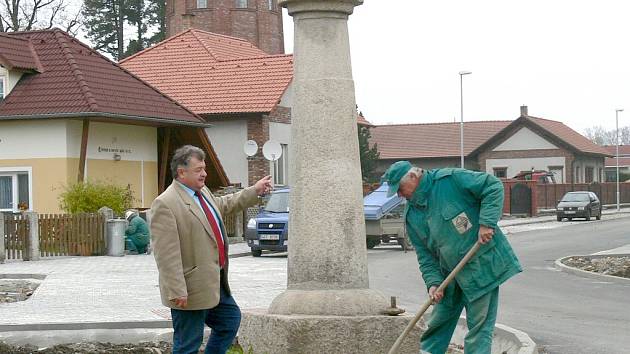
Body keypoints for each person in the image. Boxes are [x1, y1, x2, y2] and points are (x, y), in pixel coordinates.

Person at [381, 161, 522, 354]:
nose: (399, 194)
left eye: (399, 188)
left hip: (480, 267)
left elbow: (492, 185)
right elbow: (425, 256)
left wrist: (486, 223)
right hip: (448, 276)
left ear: (413, 177)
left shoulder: (450, 180)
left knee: (479, 329)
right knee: (437, 325)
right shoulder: (412, 215)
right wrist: (433, 283)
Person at [150, 145, 272, 354]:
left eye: (204, 168)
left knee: (229, 320)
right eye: (198, 170)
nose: (204, 173)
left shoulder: (202, 192)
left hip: (214, 283)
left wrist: (254, 191)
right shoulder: (166, 204)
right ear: (182, 172)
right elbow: (166, 255)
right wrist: (177, 289)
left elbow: (223, 204)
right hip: (189, 289)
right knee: (188, 344)